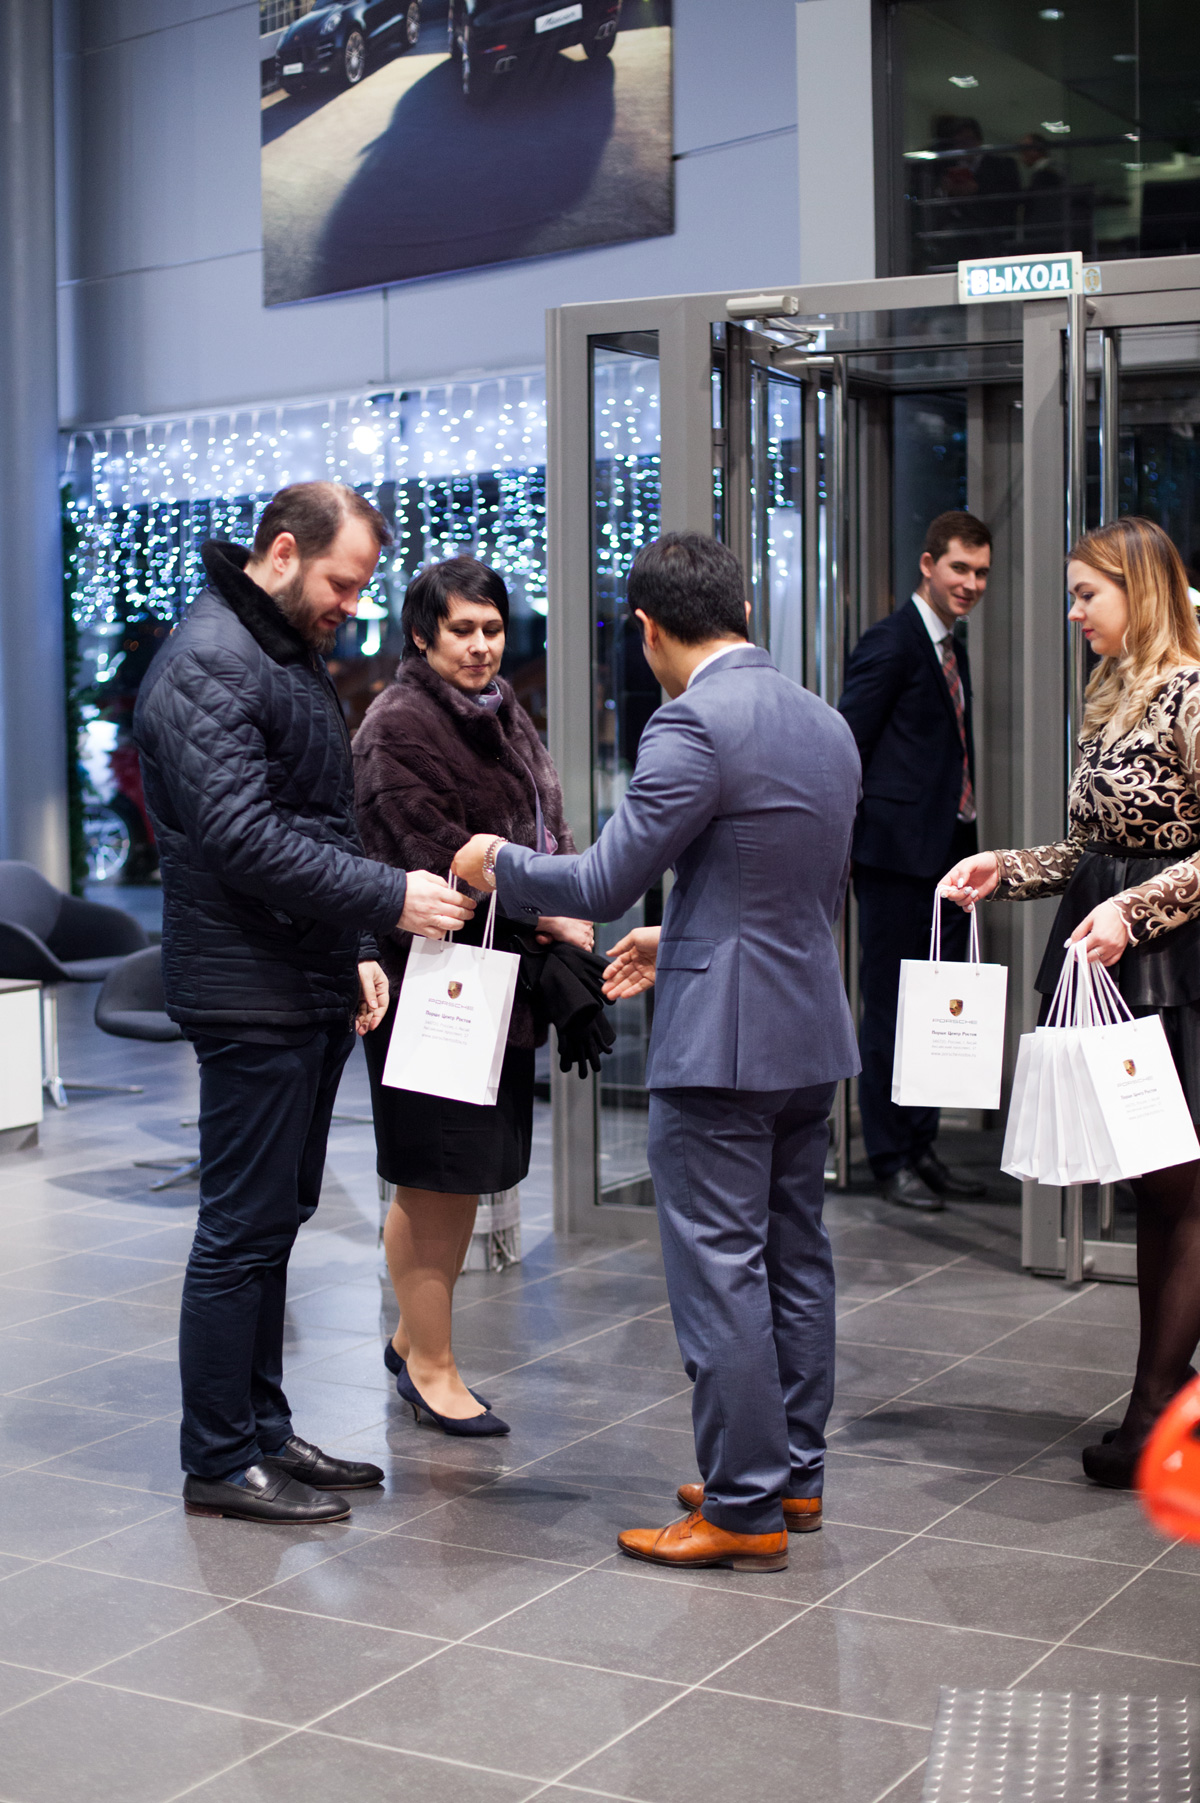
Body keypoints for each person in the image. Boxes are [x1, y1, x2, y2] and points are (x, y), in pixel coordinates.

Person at [454, 531, 861, 1574]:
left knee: (721, 1270)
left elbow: (601, 881)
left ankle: (743, 1507)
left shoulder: (692, 722)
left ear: (646, 629)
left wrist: (498, 861)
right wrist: (676, 936)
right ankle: (792, 1477)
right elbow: (787, 888)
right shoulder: (824, 721)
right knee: (796, 1258)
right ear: (743, 612)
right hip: (809, 1027)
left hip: (721, 1041)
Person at [133, 482, 473, 1526]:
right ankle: (217, 1457)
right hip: (248, 989)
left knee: (276, 1220)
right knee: (240, 1230)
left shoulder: (273, 647)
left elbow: (317, 819)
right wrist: (387, 900)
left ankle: (264, 1433)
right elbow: (243, 838)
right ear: (283, 551)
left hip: (295, 977)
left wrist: (357, 945)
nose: (352, 606)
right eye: (342, 582)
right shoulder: (211, 659)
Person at [944, 516, 1200, 1490]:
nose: (1074, 612)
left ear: (1140, 589)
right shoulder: (1113, 692)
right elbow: (1090, 850)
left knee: (1176, 1187)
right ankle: (1163, 1399)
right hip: (1114, 955)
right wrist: (1003, 869)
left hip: (1173, 963)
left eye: (1087, 594)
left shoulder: (1192, 691)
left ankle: (1155, 1410)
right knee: (1156, 1186)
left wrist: (1136, 910)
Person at [353, 555, 597, 1438]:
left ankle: (412, 1337)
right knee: (435, 1177)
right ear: (423, 635)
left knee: (462, 1177)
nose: (482, 645)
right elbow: (434, 851)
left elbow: (541, 824)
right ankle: (431, 1367)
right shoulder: (398, 723)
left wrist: (552, 900)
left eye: (492, 628)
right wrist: (550, 907)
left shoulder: (499, 708)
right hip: (432, 985)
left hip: (497, 978)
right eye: (462, 629)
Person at [838, 511, 993, 1211]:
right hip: (895, 861)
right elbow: (848, 746)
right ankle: (888, 1155)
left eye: (981, 572)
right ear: (928, 565)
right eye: (960, 567)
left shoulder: (950, 645)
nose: (971, 583)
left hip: (949, 856)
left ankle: (921, 1145)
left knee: (937, 1006)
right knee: (893, 1008)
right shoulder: (891, 641)